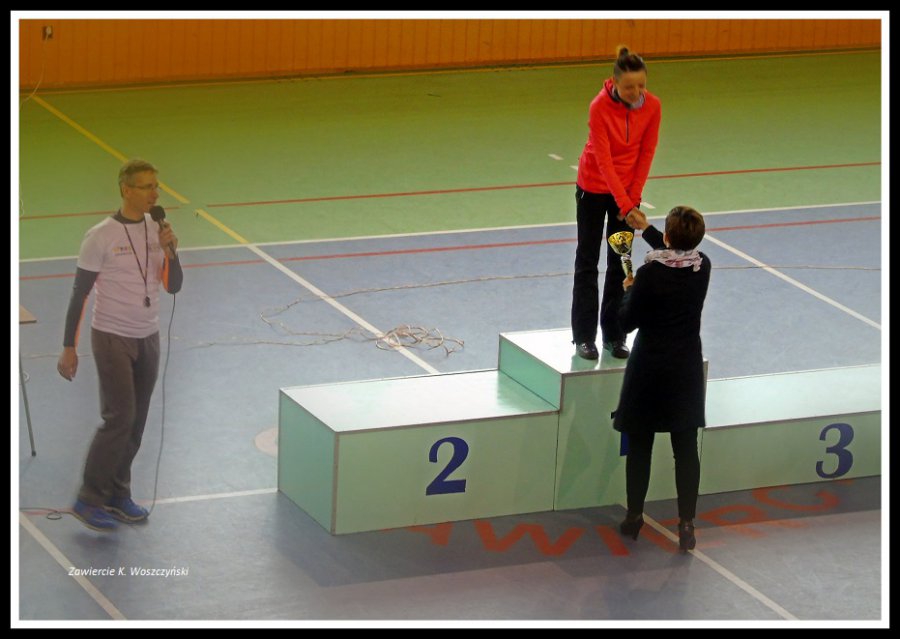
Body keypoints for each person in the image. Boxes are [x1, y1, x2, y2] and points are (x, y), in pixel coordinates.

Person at [57, 159, 183, 532]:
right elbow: (79, 294)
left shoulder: (157, 229)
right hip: (112, 336)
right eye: (146, 187)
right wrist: (68, 346)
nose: (154, 194)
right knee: (120, 418)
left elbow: (173, 285)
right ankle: (88, 498)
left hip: (149, 335)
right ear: (127, 190)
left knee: (137, 421)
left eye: (156, 186)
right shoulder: (100, 236)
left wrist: (171, 252)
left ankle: (117, 493)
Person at [613, 206, 710, 553]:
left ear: (668, 236)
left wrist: (629, 289)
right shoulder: (702, 266)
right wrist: (647, 229)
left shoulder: (649, 274)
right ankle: (687, 524)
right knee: (685, 448)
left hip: (649, 370)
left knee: (641, 445)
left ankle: (634, 517)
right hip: (685, 370)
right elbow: (677, 253)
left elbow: (626, 323)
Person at [571, 46, 662, 360]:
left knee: (620, 261)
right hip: (594, 187)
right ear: (615, 82)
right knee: (587, 261)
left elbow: (646, 152)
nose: (636, 93)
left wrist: (632, 199)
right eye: (629, 87)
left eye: (641, 86)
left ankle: (615, 334)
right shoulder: (599, 107)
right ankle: (584, 337)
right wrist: (624, 203)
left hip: (627, 193)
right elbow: (604, 160)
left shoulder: (653, 106)